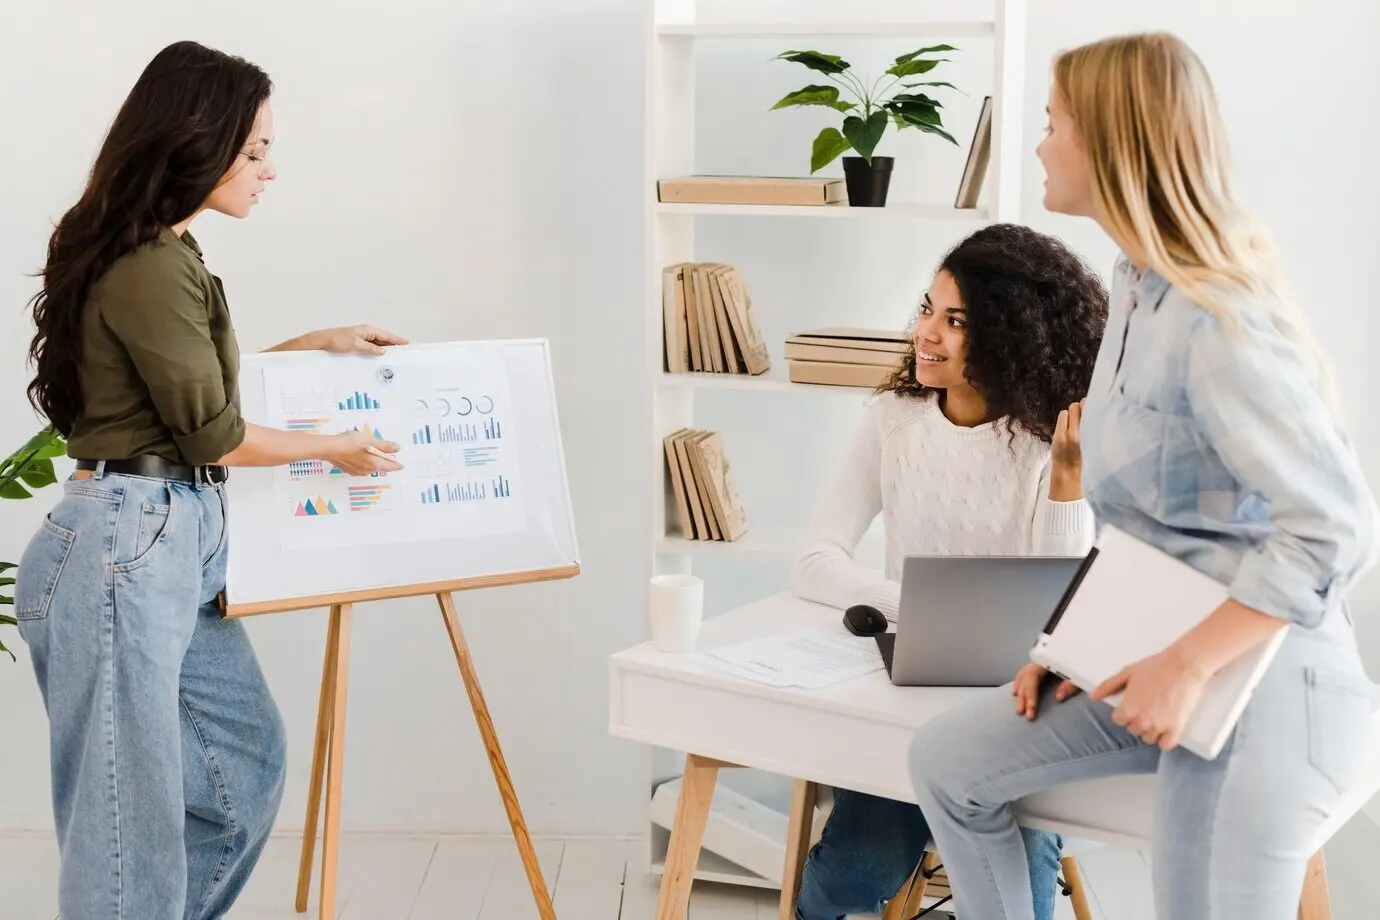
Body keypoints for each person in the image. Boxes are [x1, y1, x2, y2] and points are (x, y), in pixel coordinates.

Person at [906, 32, 1380, 920]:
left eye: (1052, 124)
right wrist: (1075, 645)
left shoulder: (1213, 317)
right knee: (949, 762)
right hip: (1167, 666)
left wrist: (1186, 667)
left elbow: (1334, 530)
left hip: (1269, 697)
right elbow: (1159, 527)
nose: (1039, 144)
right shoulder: (1134, 289)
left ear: (1110, 142)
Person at [15, 41, 405, 920]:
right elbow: (213, 433)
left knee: (243, 767)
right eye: (255, 149)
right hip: (127, 542)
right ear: (198, 140)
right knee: (129, 822)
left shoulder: (168, 256)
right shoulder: (150, 263)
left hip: (167, 543)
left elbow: (185, 395)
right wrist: (333, 448)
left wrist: (316, 346)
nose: (270, 170)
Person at [789, 222, 1109, 920]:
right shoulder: (892, 419)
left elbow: (1057, 608)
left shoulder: (1047, 440)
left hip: (1012, 716)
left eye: (955, 320)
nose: (926, 332)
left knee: (1016, 897)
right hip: (899, 703)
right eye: (927, 309)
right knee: (857, 873)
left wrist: (1066, 478)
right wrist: (914, 605)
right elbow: (815, 561)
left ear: (1009, 334)